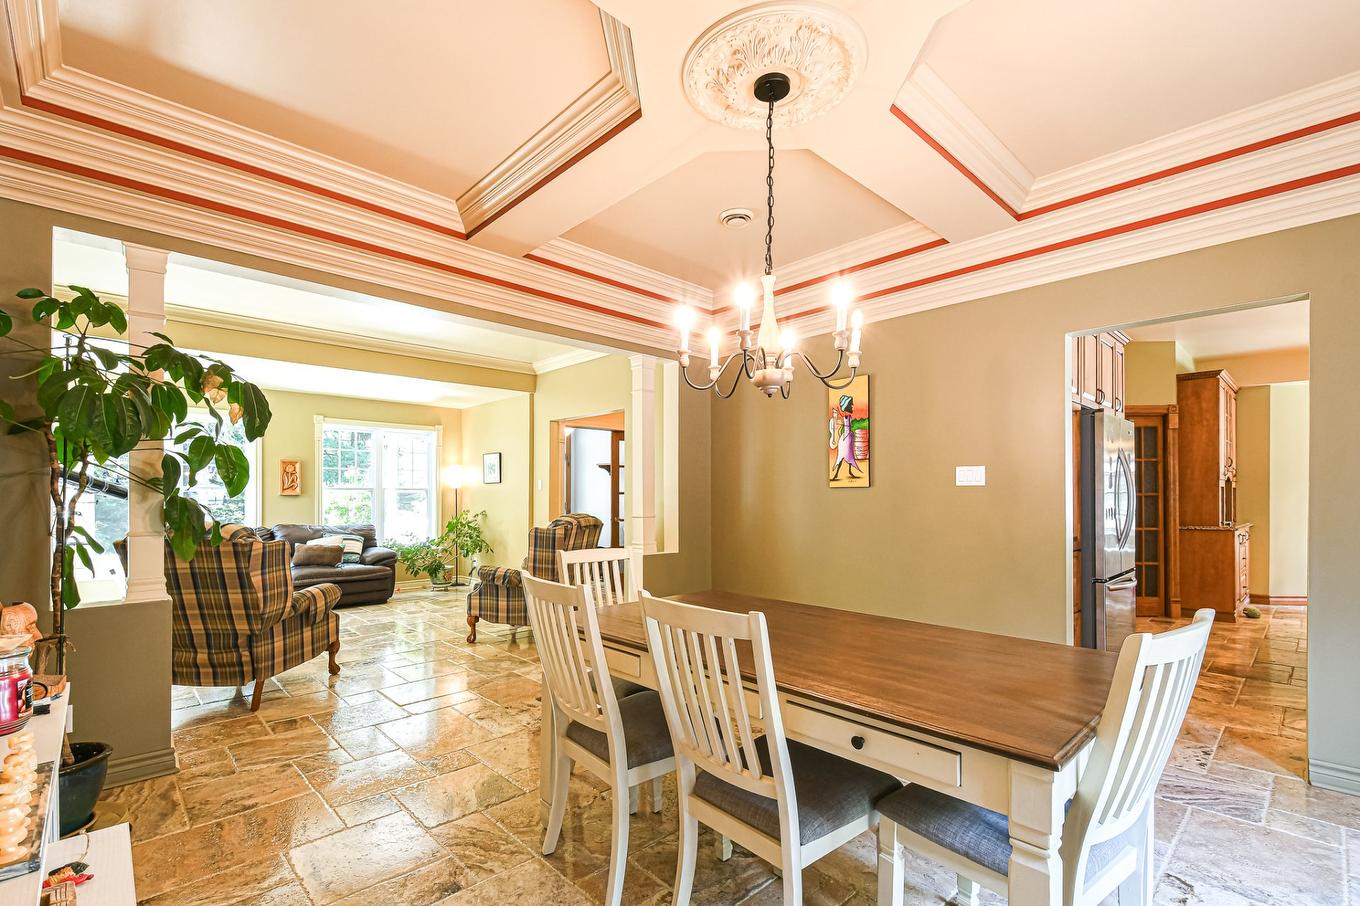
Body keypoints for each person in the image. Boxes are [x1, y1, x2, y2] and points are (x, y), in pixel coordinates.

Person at [829, 394, 862, 481]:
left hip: (848, 437)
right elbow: (841, 416)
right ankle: (837, 474)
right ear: (847, 406)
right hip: (846, 438)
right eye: (851, 404)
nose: (852, 405)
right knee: (842, 456)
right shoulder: (846, 416)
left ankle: (847, 472)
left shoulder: (848, 416)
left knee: (849, 455)